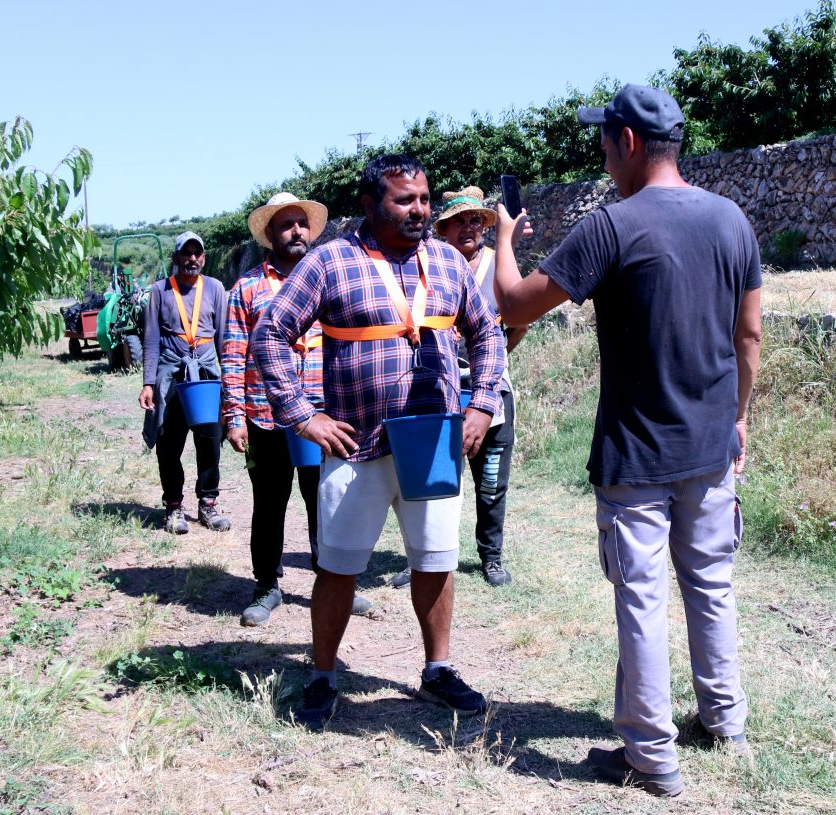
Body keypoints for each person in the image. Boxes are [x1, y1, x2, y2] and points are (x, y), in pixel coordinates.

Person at [491, 84, 763, 798]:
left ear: (630, 143)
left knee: (640, 598)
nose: (602, 154)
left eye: (604, 141)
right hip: (710, 448)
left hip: (636, 457)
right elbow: (749, 334)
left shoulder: (611, 227)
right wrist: (738, 418)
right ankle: (724, 719)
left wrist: (500, 240)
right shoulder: (731, 220)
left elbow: (512, 303)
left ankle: (651, 755)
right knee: (710, 583)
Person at [251, 154, 506, 730]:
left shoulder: (447, 262)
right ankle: (323, 678)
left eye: (424, 198)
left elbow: (487, 332)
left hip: (434, 442)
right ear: (370, 205)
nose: (421, 210)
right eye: (405, 200)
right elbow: (270, 335)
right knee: (338, 568)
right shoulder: (329, 263)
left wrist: (483, 403)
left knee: (436, 561)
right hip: (354, 443)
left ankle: (437, 670)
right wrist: (301, 416)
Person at [222, 193, 372, 626]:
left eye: (301, 224)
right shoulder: (246, 288)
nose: (296, 232)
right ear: (270, 235)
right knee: (269, 503)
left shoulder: (328, 280)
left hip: (321, 414)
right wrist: (234, 417)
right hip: (264, 416)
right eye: (285, 225)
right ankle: (267, 586)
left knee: (326, 501)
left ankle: (336, 583)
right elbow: (233, 357)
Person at [393, 187, 526, 588]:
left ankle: (491, 557)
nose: (468, 227)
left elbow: (518, 323)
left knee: (489, 481)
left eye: (476, 220)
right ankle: (423, 557)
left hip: (489, 391)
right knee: (432, 482)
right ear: (444, 230)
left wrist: (490, 359)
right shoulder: (428, 267)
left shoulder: (497, 261)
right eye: (458, 222)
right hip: (438, 390)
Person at [139, 231, 232, 535]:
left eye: (198, 253)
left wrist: (229, 383)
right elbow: (151, 339)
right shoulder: (160, 291)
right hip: (171, 376)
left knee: (209, 441)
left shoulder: (216, 288)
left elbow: (223, 340)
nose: (193, 259)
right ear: (176, 257)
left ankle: (208, 503)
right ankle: (174, 508)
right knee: (168, 444)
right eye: (186, 253)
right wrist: (148, 383)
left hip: (205, 376)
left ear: (203, 257)